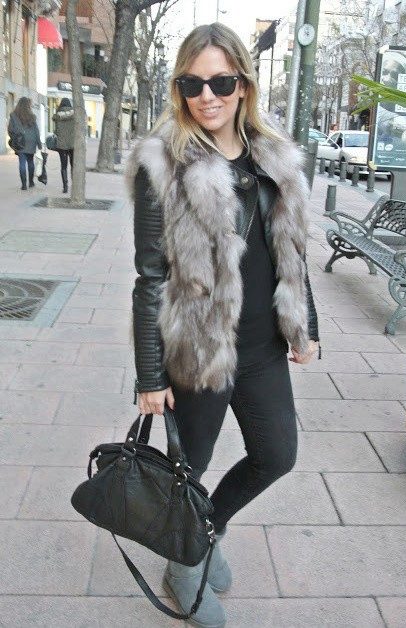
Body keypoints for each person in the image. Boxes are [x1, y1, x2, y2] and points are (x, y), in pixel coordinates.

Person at [127, 23, 320, 628]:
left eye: (220, 82)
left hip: (262, 346)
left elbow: (291, 247)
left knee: (276, 454)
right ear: (179, 89)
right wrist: (151, 375)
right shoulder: (163, 164)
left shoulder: (274, 157)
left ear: (244, 84)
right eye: (192, 84)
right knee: (189, 469)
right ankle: (182, 563)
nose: (206, 96)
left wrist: (305, 324)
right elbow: (150, 277)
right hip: (198, 351)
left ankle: (205, 531)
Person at [8, 97, 42, 191]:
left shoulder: (14, 115)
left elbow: (10, 129)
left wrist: (13, 138)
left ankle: (23, 185)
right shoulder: (32, 116)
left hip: (20, 141)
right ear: (28, 105)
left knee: (22, 162)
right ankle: (31, 182)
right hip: (31, 140)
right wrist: (39, 143)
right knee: (30, 161)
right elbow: (36, 130)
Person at [52, 97, 74, 193]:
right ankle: (74, 185)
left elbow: (56, 131)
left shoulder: (57, 115)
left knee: (63, 166)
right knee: (73, 165)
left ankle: (65, 187)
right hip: (73, 144)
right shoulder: (74, 114)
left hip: (62, 145)